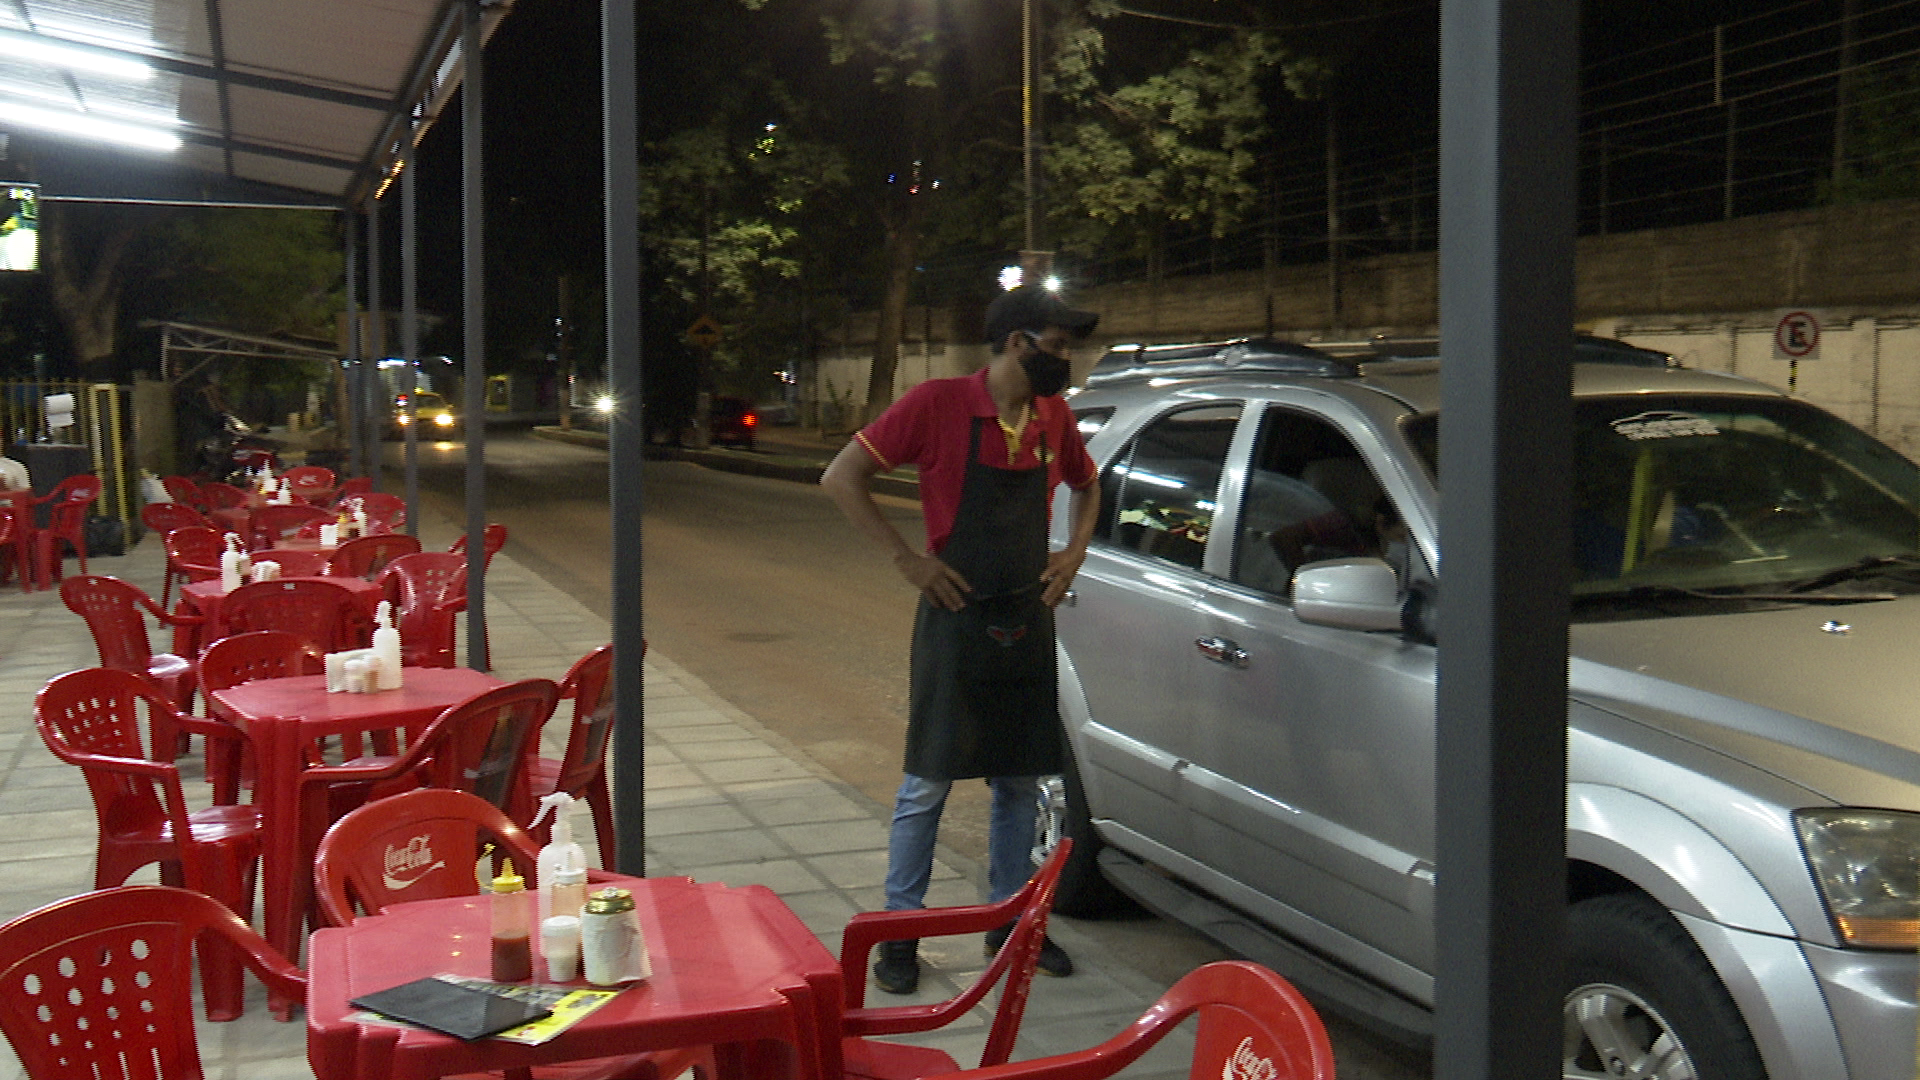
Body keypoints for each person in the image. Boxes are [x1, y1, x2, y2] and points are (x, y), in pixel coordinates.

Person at [820, 286, 1104, 994]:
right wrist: (907, 559)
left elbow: (1089, 485)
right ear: (1018, 343)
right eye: (1059, 345)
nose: (1067, 360)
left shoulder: (1053, 417)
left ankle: (1011, 927)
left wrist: (1075, 553)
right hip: (955, 617)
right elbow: (842, 476)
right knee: (928, 783)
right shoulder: (940, 405)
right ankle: (899, 933)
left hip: (1026, 619)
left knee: (1018, 782)